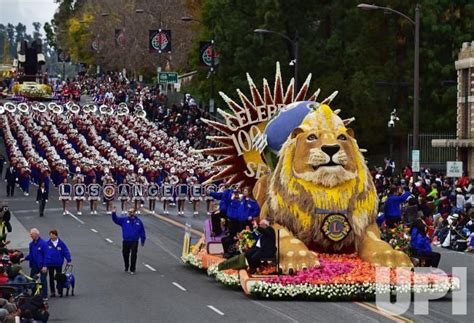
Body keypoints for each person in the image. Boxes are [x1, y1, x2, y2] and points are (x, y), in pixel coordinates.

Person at [112, 207, 146, 275]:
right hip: (126, 241)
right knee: (125, 254)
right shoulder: (124, 220)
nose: (130, 213)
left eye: (132, 212)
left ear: (134, 213)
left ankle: (132, 269)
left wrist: (143, 239)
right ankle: (126, 266)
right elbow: (116, 220)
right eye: (129, 212)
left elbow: (142, 231)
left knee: (133, 255)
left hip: (134, 241)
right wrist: (113, 213)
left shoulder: (139, 222)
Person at [44, 229, 72, 297]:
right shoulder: (47, 243)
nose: (51, 237)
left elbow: (66, 252)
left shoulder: (61, 244)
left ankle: (60, 291)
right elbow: (44, 253)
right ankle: (52, 292)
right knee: (51, 278)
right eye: (50, 235)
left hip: (58, 263)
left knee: (59, 278)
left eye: (53, 235)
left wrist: (69, 260)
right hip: (50, 264)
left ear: (56, 235)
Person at [23, 228, 48, 300]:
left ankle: (44, 295)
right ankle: (34, 293)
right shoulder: (31, 244)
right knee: (32, 279)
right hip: (34, 265)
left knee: (43, 280)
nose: (30, 235)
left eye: (31, 234)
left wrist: (45, 266)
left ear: (36, 234)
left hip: (42, 266)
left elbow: (47, 256)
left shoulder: (43, 244)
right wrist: (24, 258)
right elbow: (31, 255)